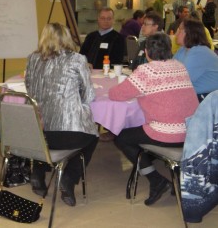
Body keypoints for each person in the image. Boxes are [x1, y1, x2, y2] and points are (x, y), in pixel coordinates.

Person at [109, 33, 199, 206]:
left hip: (166, 134)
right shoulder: (180, 66)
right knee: (139, 130)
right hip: (191, 131)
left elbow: (116, 94)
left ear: (146, 52)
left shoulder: (146, 71)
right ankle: (169, 176)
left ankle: (156, 179)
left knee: (122, 138)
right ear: (169, 50)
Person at [25, 23, 99, 206]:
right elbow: (89, 95)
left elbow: (29, 88)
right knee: (92, 135)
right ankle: (69, 178)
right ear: (66, 38)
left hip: (39, 134)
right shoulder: (77, 59)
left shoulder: (33, 59)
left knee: (52, 137)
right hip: (69, 135)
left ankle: (38, 173)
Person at [173, 18, 218, 102]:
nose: (176, 33)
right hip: (197, 95)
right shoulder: (183, 49)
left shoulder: (199, 52)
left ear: (188, 33)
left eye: (179, 30)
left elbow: (180, 81)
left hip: (209, 98)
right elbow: (169, 69)